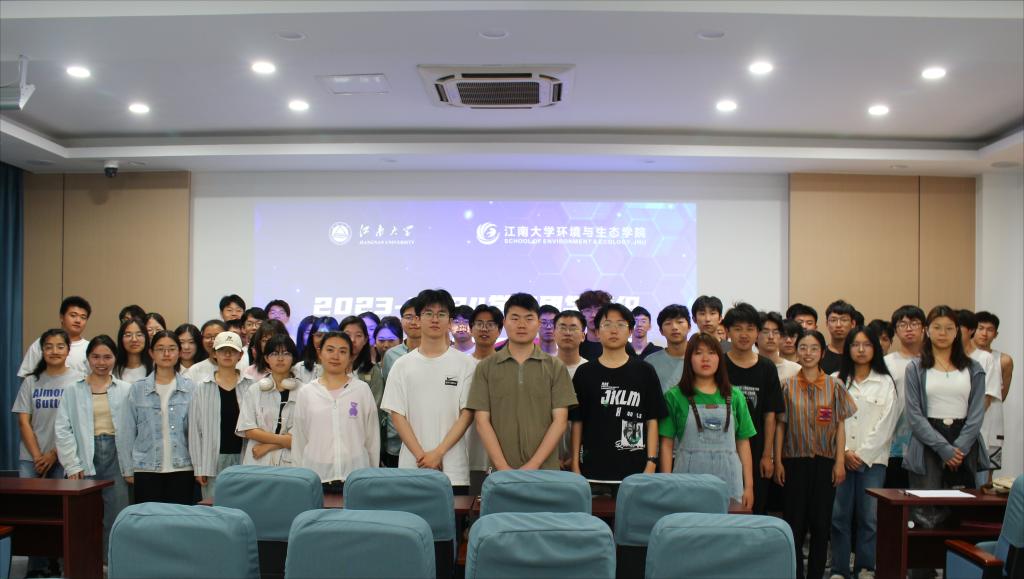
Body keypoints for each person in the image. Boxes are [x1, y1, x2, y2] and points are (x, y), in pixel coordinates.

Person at [774, 329, 856, 579]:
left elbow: (840, 426)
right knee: (795, 524)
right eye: (803, 348)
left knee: (821, 525)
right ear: (797, 351)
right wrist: (777, 461)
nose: (808, 353)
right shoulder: (786, 385)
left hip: (825, 463)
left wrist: (839, 462)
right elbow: (780, 426)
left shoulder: (835, 385)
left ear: (822, 353)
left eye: (813, 348)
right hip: (794, 462)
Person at [467, 292, 578, 470]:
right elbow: (482, 421)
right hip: (500, 473)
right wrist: (502, 467)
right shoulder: (486, 367)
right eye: (515, 318)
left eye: (529, 318)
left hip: (545, 471)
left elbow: (560, 421)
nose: (521, 324)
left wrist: (533, 465)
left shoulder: (555, 367)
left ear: (538, 323)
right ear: (504, 323)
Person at [903, 306, 989, 530]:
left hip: (964, 442)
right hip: (927, 440)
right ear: (927, 330)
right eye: (937, 327)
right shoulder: (915, 368)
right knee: (925, 511)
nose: (943, 333)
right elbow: (914, 415)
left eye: (949, 328)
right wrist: (943, 448)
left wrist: (959, 448)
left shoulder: (973, 368)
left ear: (957, 332)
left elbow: (977, 413)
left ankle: (960, 553)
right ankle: (924, 555)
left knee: (962, 510)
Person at [382, 289, 477, 493]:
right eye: (428, 313)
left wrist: (438, 453)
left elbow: (467, 414)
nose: (435, 319)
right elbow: (397, 415)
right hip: (412, 467)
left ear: (449, 321)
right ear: (418, 319)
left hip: (453, 470)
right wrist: (422, 457)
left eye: (441, 314)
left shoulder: (466, 364)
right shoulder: (402, 365)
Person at [570, 303, 667, 483]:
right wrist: (575, 464)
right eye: (607, 325)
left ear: (630, 331)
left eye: (621, 325)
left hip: (636, 471)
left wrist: (651, 463)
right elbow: (577, 421)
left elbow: (652, 420)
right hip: (591, 470)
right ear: (597, 332)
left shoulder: (645, 371)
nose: (614, 330)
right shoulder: (585, 372)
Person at [830, 327, 899, 579]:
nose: (861, 350)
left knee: (869, 518)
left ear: (875, 349)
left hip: (873, 462)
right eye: (855, 344)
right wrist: (845, 452)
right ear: (847, 349)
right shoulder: (836, 380)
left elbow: (888, 423)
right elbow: (828, 421)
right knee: (839, 517)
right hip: (840, 460)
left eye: (867, 345)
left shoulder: (885, 382)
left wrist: (862, 454)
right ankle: (839, 569)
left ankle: (866, 568)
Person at [54, 335, 132, 560]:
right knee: (84, 514)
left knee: (116, 514)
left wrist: (130, 466)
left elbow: (134, 428)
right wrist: (72, 464)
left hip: (117, 456)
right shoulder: (73, 390)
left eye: (107, 357)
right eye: (96, 357)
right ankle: (83, 563)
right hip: (84, 455)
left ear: (115, 359)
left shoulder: (126, 389)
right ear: (88, 359)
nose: (101, 362)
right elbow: (63, 429)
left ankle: (111, 562)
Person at [658, 333, 756, 508]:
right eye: (698, 353)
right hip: (686, 481)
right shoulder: (674, 396)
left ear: (719, 358)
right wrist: (667, 484)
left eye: (711, 353)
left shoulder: (735, 396)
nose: (705, 358)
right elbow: (666, 444)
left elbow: (743, 442)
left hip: (730, 481)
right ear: (689, 359)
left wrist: (749, 487)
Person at [14, 328, 82, 577]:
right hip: (31, 458)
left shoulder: (78, 379)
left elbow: (77, 422)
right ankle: (37, 566)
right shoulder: (31, 381)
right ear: (41, 351)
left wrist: (54, 454)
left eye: (60, 346)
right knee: (33, 512)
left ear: (68, 350)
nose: (54, 351)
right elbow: (23, 421)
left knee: (62, 513)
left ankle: (60, 563)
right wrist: (37, 456)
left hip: (64, 457)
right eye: (49, 347)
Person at [291, 332, 380, 492]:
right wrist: (299, 479)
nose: (335, 356)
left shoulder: (361, 390)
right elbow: (299, 440)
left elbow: (372, 438)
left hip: (355, 476)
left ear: (350, 357)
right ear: (320, 353)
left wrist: (371, 476)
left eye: (343, 351)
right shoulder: (307, 392)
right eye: (330, 350)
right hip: (316, 476)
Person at [723, 302, 785, 514]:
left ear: (757, 332)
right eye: (737, 328)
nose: (744, 334)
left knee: (754, 508)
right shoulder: (719, 365)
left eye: (750, 329)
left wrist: (767, 456)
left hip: (757, 449)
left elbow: (770, 415)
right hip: (724, 448)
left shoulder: (767, 367)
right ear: (727, 331)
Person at [122, 330, 196, 505]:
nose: (166, 353)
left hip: (182, 467)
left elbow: (196, 432)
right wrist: (128, 469)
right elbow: (127, 431)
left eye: (172, 348)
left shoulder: (191, 388)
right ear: (151, 352)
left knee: (178, 517)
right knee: (149, 519)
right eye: (160, 349)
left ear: (179, 352)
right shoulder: (138, 389)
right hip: (146, 468)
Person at [189, 331, 252, 500]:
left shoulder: (251, 386)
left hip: (244, 457)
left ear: (240, 355)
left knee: (244, 504)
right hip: (211, 460)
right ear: (214, 353)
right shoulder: (202, 387)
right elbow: (195, 430)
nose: (227, 354)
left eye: (233, 350)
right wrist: (199, 467)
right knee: (214, 508)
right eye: (223, 350)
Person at [238, 334, 302, 466]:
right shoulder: (254, 390)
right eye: (274, 353)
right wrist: (284, 440)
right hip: (258, 462)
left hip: (291, 463)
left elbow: (304, 436)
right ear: (266, 358)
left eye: (286, 353)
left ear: (293, 358)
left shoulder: (304, 391)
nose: (280, 358)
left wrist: (268, 446)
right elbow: (249, 429)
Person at [958, 309, 1003, 485]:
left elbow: (987, 399)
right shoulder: (950, 358)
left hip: (979, 433)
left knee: (979, 486)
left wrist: (966, 425)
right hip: (952, 435)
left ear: (969, 330)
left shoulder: (985, 358)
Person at [883, 305, 926, 489]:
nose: (909, 329)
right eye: (903, 324)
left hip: (926, 440)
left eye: (914, 324)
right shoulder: (886, 363)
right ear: (896, 330)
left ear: (924, 328)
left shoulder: (933, 362)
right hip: (894, 441)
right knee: (895, 492)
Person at [974, 311, 1013, 476]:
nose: (984, 333)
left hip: (992, 421)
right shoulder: (964, 357)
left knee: (987, 475)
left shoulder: (1004, 360)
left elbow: (1002, 395)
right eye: (980, 328)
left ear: (996, 334)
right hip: (966, 422)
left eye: (989, 330)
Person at [18, 296, 91, 377]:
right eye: (73, 315)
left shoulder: (90, 347)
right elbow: (26, 375)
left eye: (83, 317)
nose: (78, 320)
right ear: (61, 317)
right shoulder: (44, 342)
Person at [553, 309, 587, 468]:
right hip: (547, 455)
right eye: (562, 327)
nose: (567, 333)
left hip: (583, 454)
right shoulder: (543, 369)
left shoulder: (591, 370)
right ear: (554, 333)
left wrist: (575, 456)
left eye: (573, 328)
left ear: (583, 336)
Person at [644, 304, 692, 393]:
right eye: (668, 323)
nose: (674, 327)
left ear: (689, 327)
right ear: (661, 331)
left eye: (679, 322)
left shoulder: (699, 359)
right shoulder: (650, 362)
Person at [340, 315, 384, 405]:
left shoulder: (373, 371)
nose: (352, 340)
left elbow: (375, 406)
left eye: (358, 336)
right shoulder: (329, 367)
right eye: (347, 335)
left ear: (365, 340)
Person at [382, 297, 423, 381]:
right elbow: (388, 385)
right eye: (409, 317)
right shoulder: (391, 354)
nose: (414, 322)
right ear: (401, 321)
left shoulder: (437, 352)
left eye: (419, 317)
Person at [757, 311, 801, 382]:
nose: (771, 337)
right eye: (765, 332)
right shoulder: (747, 365)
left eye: (775, 332)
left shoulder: (796, 370)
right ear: (755, 335)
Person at [293, 316, 339, 384]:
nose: (322, 340)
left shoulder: (343, 369)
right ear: (312, 338)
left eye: (327, 336)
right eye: (319, 335)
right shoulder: (299, 368)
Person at [185, 319, 228, 385]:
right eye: (208, 337)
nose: (212, 341)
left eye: (217, 336)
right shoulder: (194, 370)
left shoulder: (239, 366)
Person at [575, 289, 613, 361]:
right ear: (581, 314)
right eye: (588, 310)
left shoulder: (620, 346)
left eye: (598, 310)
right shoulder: (575, 347)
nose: (593, 315)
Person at [823, 299, 857, 375]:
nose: (838, 325)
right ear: (827, 324)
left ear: (853, 324)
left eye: (844, 320)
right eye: (833, 320)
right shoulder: (820, 355)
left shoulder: (859, 354)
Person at [114, 317, 152, 383]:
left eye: (139, 335)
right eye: (128, 335)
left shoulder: (155, 368)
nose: (134, 339)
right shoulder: (113, 370)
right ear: (121, 339)